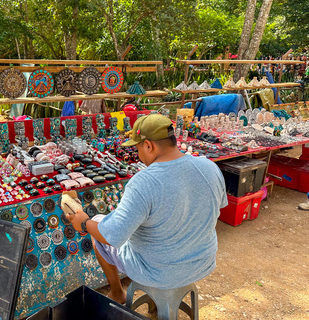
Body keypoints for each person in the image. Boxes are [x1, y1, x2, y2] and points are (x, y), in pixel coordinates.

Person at [65, 114, 227, 303]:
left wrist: (84, 223)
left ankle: (117, 293)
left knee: (98, 228)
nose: (138, 154)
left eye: (138, 148)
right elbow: (218, 208)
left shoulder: (144, 182)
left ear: (149, 146)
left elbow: (112, 237)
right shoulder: (209, 166)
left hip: (159, 272)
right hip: (203, 262)